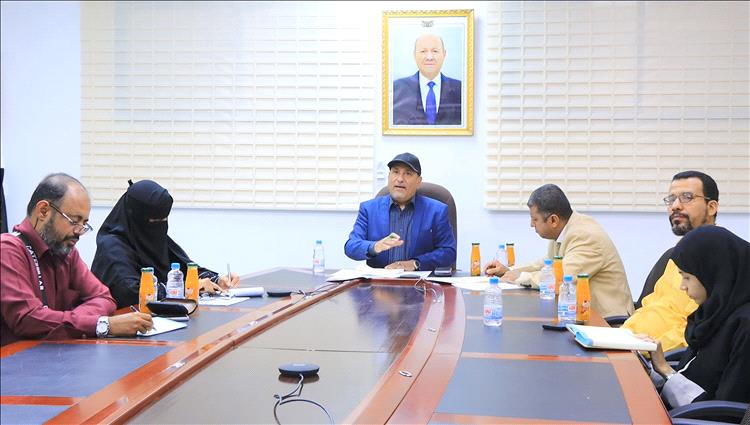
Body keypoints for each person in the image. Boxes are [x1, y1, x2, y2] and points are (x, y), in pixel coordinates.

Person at [1, 173, 152, 345]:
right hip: (16, 357)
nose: (79, 232)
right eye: (74, 221)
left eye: (84, 223)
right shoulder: (8, 250)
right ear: (43, 211)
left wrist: (70, 321)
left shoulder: (66, 251)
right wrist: (100, 324)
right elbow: (28, 320)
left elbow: (104, 298)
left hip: (57, 352)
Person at [485, 184, 633, 318]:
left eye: (535, 219)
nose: (531, 225)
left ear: (553, 220)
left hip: (608, 323)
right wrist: (509, 271)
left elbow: (559, 278)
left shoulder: (586, 237)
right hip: (581, 314)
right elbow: (545, 264)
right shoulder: (566, 229)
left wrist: (518, 277)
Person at [91, 179, 239, 309]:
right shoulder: (112, 246)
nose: (159, 226)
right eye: (153, 221)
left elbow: (184, 268)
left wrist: (217, 280)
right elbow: (130, 292)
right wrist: (187, 288)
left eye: (163, 220)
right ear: (135, 216)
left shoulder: (152, 236)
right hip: (125, 324)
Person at [647, 226, 749, 408]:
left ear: (714, 274)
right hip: (682, 411)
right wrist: (653, 366)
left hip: (696, 417)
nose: (682, 286)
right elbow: (690, 372)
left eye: (687, 277)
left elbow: (724, 409)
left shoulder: (744, 326)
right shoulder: (716, 313)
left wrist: (666, 370)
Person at [622, 171, 718, 353]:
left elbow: (695, 330)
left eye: (687, 197)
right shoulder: (678, 252)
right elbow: (651, 306)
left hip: (654, 355)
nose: (675, 206)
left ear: (711, 207)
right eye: (671, 199)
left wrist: (646, 347)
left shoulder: (717, 258)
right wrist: (622, 335)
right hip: (627, 343)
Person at [344, 152, 456, 271]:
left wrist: (415, 263)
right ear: (389, 176)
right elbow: (351, 246)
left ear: (418, 181)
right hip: (380, 280)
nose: (400, 179)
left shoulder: (437, 211)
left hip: (419, 280)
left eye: (408, 173)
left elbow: (448, 252)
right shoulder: (368, 209)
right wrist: (375, 246)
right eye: (395, 172)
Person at [392, 33, 461, 125]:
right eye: (423, 51)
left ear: (444, 54)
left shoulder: (460, 89)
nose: (429, 57)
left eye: (435, 51)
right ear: (414, 55)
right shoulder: (396, 89)